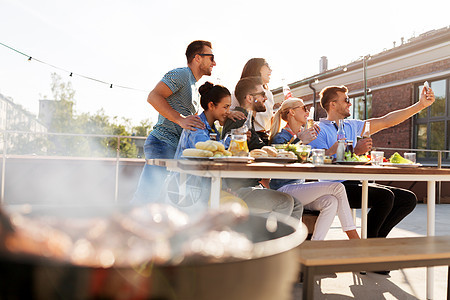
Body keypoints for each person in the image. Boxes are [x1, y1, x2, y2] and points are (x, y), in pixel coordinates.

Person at [308, 85, 435, 240]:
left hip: (357, 182)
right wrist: (354, 151)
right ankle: (370, 246)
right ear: (332, 104)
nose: (350, 103)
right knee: (385, 197)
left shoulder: (352, 125)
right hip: (335, 187)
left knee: (407, 199)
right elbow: (319, 163)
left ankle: (373, 243)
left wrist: (420, 105)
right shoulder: (318, 130)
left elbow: (386, 121)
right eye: (346, 100)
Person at [173, 81, 302, 220]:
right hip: (192, 191)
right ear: (211, 105)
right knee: (285, 202)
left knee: (294, 204)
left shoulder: (212, 129)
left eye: (229, 107)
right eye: (226, 107)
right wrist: (234, 137)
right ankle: (266, 239)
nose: (229, 111)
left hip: (214, 188)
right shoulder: (197, 125)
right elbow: (206, 150)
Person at [132, 40, 216, 204]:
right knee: (146, 198)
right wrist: (180, 119)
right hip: (162, 144)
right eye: (211, 57)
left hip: (174, 148)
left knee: (160, 202)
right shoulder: (182, 74)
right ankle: (125, 227)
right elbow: (153, 96)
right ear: (197, 58)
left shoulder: (193, 85)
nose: (214, 62)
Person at [269, 98, 359, 240]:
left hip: (298, 189)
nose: (307, 111)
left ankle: (316, 244)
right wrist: (301, 141)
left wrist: (329, 151)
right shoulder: (281, 137)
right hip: (283, 189)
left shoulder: (299, 135)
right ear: (292, 112)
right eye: (304, 108)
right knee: (338, 187)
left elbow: (310, 160)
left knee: (331, 201)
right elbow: (282, 158)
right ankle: (355, 239)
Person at [221, 77, 303, 220]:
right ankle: (272, 241)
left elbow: (263, 150)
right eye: (262, 94)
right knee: (285, 202)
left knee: (296, 204)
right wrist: (300, 140)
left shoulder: (247, 120)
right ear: (249, 98)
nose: (266, 97)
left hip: (251, 185)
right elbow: (229, 154)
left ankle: (287, 241)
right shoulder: (239, 121)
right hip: (237, 189)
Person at [231, 58, 278, 144]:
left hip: (264, 137)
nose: (270, 70)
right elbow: (227, 117)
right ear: (257, 68)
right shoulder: (238, 93)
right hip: (247, 137)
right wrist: (229, 113)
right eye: (267, 66)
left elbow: (269, 122)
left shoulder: (269, 94)